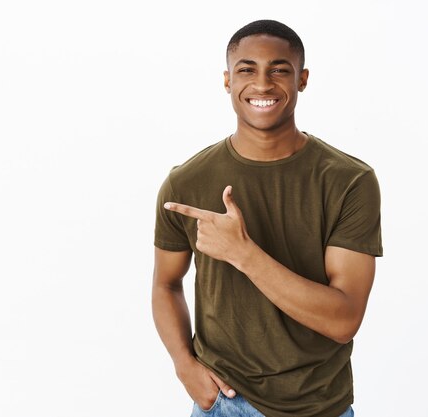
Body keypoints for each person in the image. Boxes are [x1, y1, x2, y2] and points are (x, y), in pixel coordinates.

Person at [152, 20, 382, 417]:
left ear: (302, 79)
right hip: (221, 403)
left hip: (320, 407)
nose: (262, 83)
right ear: (227, 80)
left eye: (279, 69)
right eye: (246, 69)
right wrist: (183, 364)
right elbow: (165, 283)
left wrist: (243, 254)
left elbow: (344, 319)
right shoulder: (186, 182)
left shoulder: (348, 182)